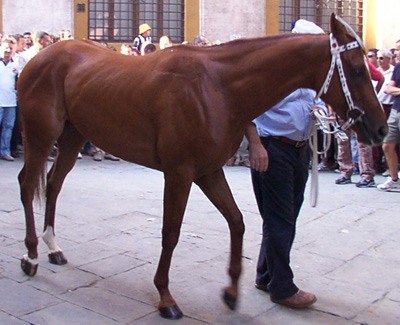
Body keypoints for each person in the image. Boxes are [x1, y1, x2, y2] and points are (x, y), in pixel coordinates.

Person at [245, 18, 323, 309]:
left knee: (282, 220)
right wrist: (255, 145)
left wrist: (320, 111)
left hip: (299, 149)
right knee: (281, 221)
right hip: (273, 148)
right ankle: (282, 287)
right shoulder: (270, 73)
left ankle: (266, 275)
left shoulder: (309, 76)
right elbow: (246, 107)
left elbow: (318, 101)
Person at [334, 59, 384, 187]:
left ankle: (366, 174)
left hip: (359, 107)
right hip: (343, 106)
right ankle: (346, 171)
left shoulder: (361, 61)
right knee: (343, 140)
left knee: (362, 142)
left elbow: (379, 77)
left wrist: (372, 95)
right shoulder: (334, 63)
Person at [377, 39, 400, 191]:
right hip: (396, 110)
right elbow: (388, 89)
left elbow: (392, 90)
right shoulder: (398, 68)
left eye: (398, 50)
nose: (395, 53)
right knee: (387, 145)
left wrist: (395, 90)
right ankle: (394, 178)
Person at [373, 49, 395, 174]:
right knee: (376, 136)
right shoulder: (376, 72)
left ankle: (389, 166)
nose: (379, 61)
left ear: (388, 59)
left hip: (389, 107)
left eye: (381, 58)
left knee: (389, 139)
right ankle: (375, 165)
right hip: (377, 106)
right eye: (378, 58)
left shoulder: (393, 71)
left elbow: (389, 89)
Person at [0, 35, 19, 161]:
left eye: (11, 49)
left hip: (11, 102)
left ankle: (4, 151)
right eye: (6, 48)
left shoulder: (16, 65)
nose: (8, 51)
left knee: (8, 127)